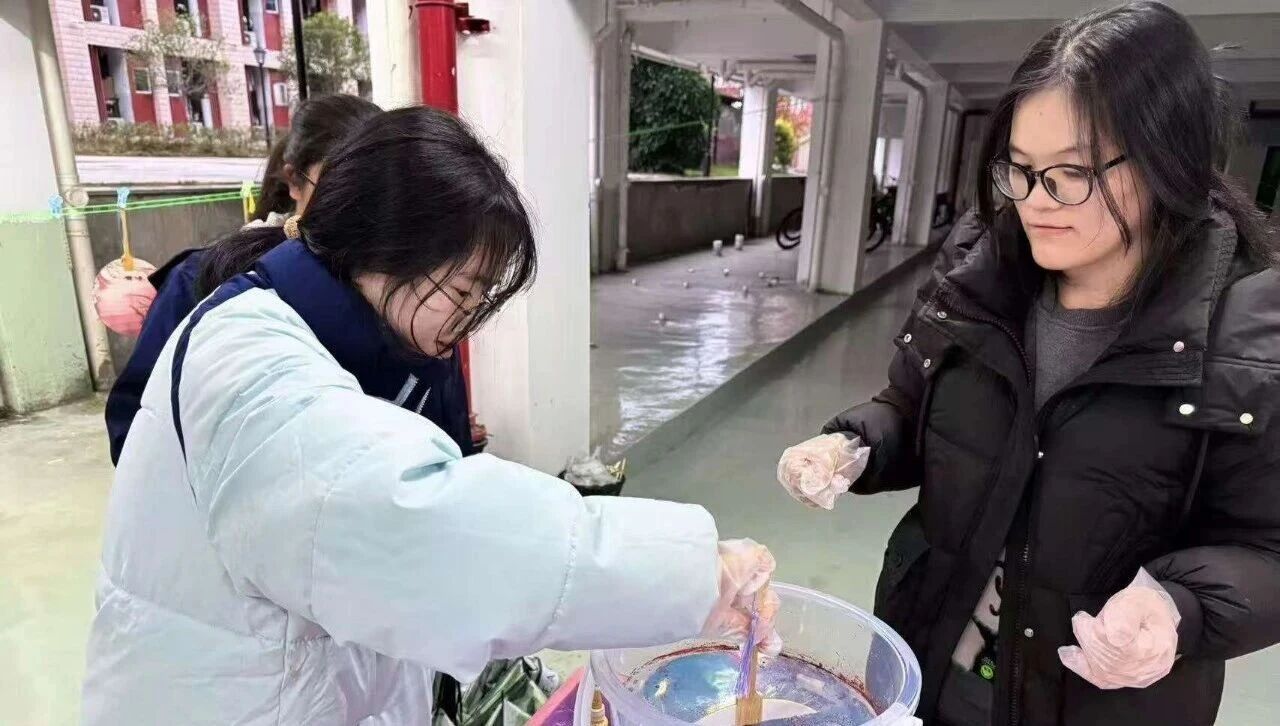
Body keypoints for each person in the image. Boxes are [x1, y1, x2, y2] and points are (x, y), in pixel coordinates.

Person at [82, 106, 781, 724]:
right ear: (384, 248)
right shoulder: (247, 362)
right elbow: (430, 527)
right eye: (463, 292)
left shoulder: (388, 345)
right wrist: (695, 573)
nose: (469, 321)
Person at [777, 3, 1280, 724]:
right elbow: (913, 409)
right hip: (929, 669)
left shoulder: (1249, 337)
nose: (1035, 202)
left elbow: (1267, 548)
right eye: (1019, 168)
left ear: (1167, 159)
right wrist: (852, 444)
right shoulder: (978, 273)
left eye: (1069, 174)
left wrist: (1178, 606)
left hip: (1095, 706)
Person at [103, 94, 469, 463]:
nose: (358, 210)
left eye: (378, 193)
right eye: (337, 186)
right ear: (294, 181)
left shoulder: (413, 299)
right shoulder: (205, 281)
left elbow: (452, 448)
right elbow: (137, 432)